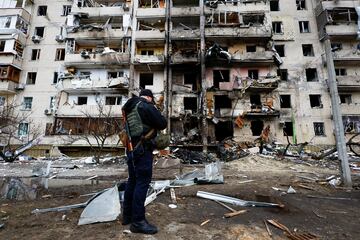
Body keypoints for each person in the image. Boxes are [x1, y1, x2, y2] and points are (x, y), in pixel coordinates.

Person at [121, 89, 167, 234]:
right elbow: (162, 123)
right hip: (142, 150)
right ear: (148, 97)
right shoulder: (145, 105)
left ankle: (127, 216)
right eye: (151, 100)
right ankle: (138, 222)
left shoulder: (128, 107)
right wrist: (155, 109)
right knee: (142, 183)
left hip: (130, 149)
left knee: (132, 181)